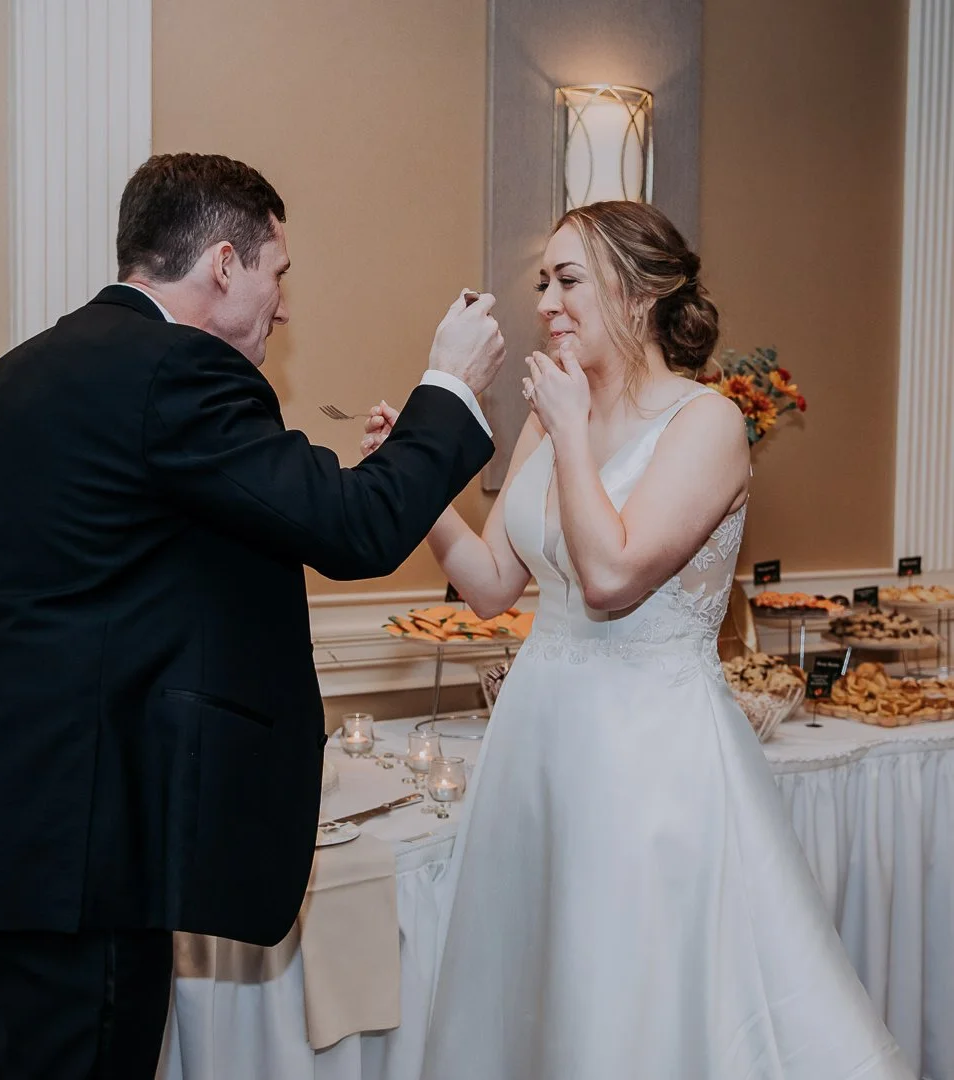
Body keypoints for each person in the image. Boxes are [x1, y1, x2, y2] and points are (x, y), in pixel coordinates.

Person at [0, 152, 505, 1080]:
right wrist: (448, 387)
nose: (284, 305)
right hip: (84, 859)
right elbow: (353, 528)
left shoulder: (8, 381)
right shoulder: (175, 371)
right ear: (224, 264)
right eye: (277, 272)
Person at [363, 201, 914, 1078]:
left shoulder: (707, 424)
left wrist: (574, 432)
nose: (546, 301)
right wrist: (416, 475)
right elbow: (491, 585)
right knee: (543, 991)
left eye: (569, 279)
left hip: (652, 757)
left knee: (636, 993)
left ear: (642, 292)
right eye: (543, 281)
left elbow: (614, 577)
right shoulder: (553, 419)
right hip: (538, 746)